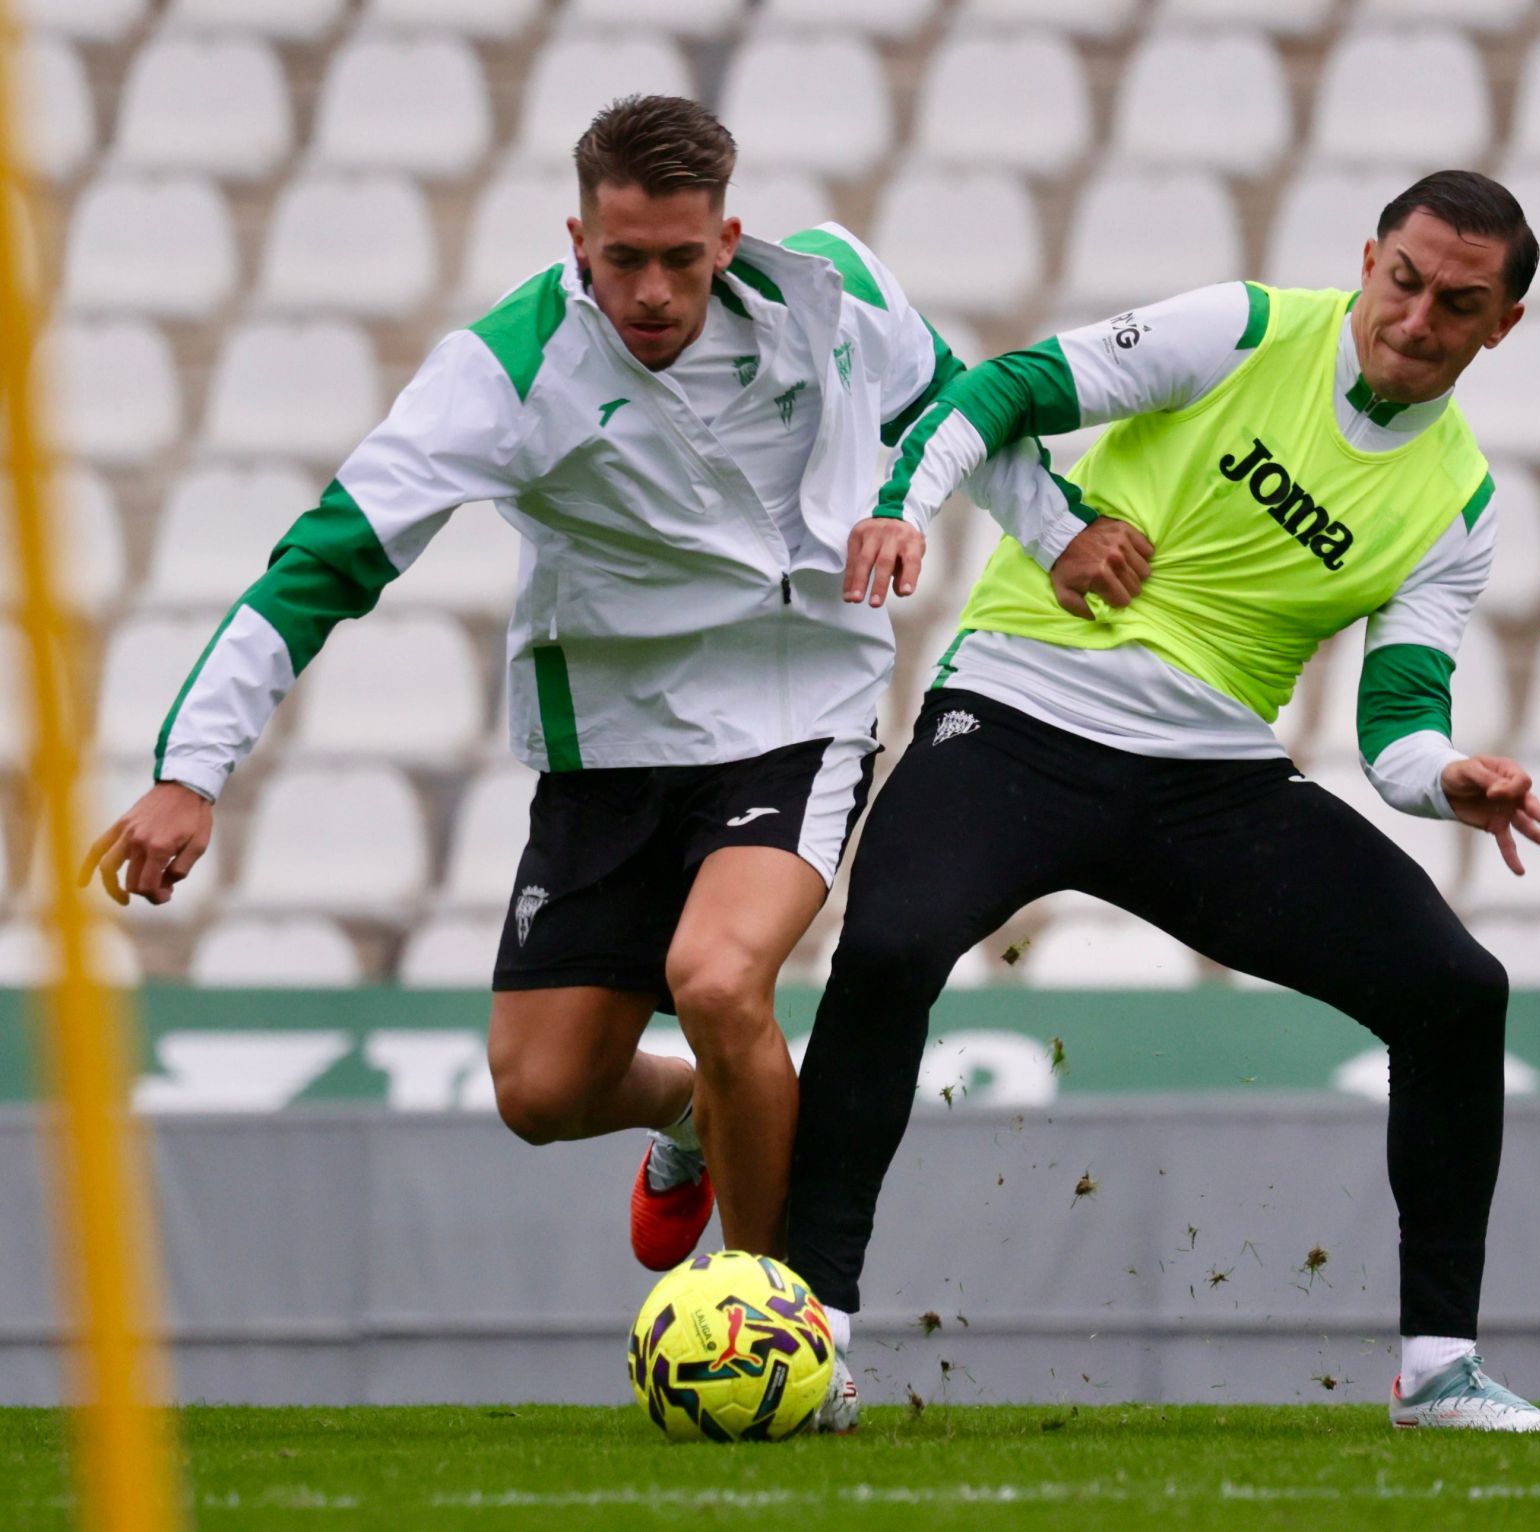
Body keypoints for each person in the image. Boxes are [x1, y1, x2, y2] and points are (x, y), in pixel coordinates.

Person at [78, 96, 1080, 1305]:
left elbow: (956, 402)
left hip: (797, 704)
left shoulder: (835, 295)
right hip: (608, 738)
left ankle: (782, 1324)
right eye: (622, 262)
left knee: (720, 981)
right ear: (576, 240)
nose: (652, 291)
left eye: (680, 259)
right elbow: (328, 556)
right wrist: (194, 771)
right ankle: (696, 1112)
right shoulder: (508, 369)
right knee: (541, 1093)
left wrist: (1060, 534)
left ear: (728, 235)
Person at [797, 171, 1540, 1433]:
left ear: (1505, 325)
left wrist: (1449, 777)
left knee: (1457, 990)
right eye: (1406, 279)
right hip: (1015, 711)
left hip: (1211, 779)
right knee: (886, 948)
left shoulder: (1458, 502)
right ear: (1369, 256)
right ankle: (813, 1331)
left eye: (1460, 302)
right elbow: (1006, 387)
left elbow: (1393, 731)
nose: (1419, 315)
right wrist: (904, 505)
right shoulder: (1248, 326)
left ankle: (1438, 1371)